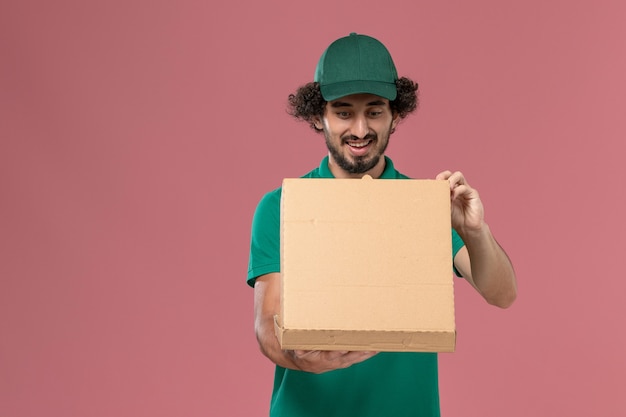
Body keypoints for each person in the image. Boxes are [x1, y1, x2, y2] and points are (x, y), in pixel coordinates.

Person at [247, 33, 517, 417]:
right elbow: (266, 325)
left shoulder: (425, 205)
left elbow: (501, 294)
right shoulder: (280, 206)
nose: (360, 130)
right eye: (343, 112)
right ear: (317, 115)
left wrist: (474, 231)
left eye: (374, 111)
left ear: (395, 114)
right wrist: (306, 358)